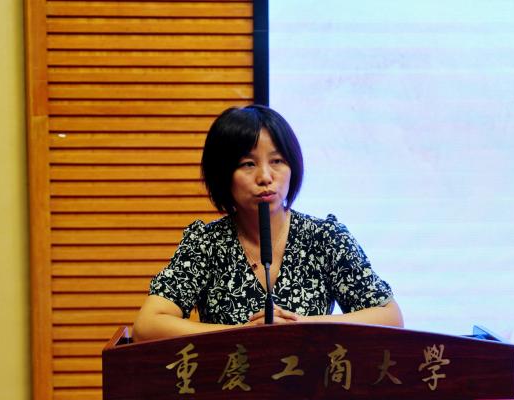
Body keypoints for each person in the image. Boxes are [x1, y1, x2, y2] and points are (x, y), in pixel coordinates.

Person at [132, 105, 402, 341]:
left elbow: (389, 317)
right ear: (223, 174)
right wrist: (241, 334)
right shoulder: (207, 244)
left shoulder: (324, 238)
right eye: (248, 164)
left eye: (277, 161)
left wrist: (302, 325)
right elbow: (147, 326)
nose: (265, 176)